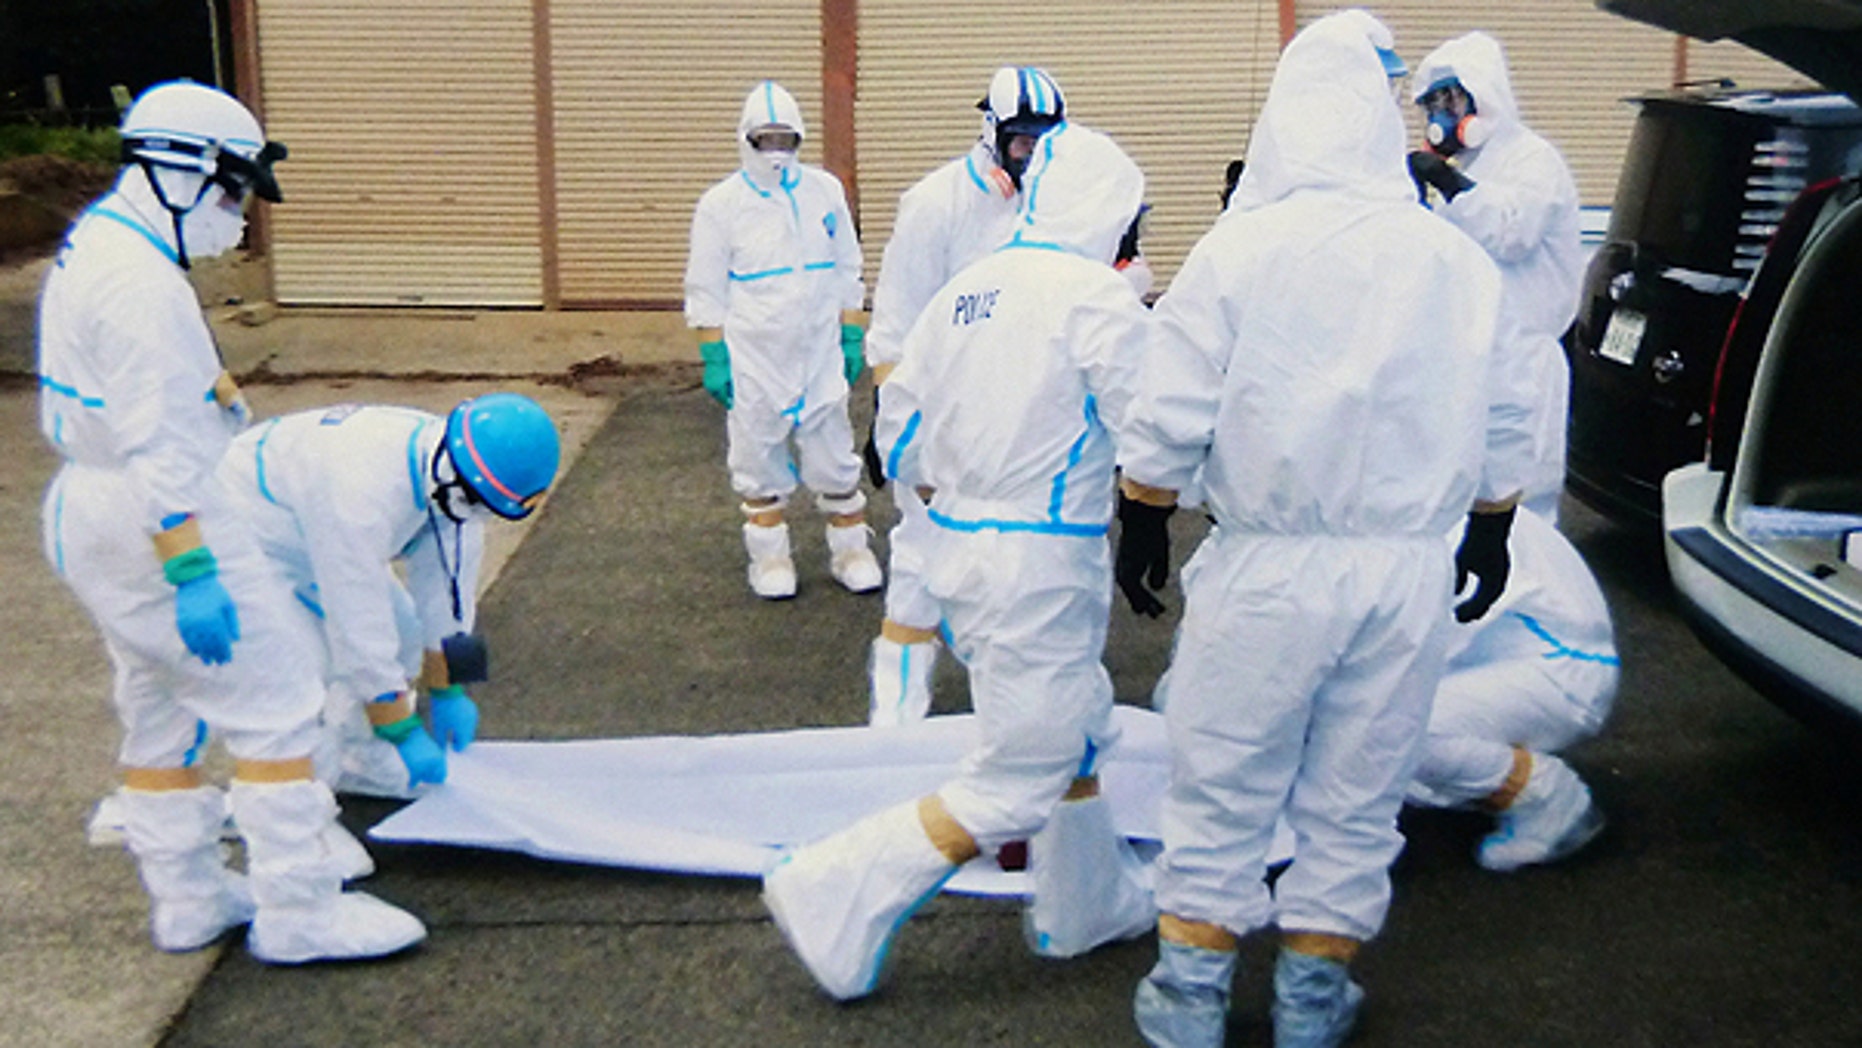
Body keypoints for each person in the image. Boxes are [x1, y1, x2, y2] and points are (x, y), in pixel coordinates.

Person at [1110, 13, 1514, 1047]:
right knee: (1359, 788)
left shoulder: (1241, 249)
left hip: (1270, 569)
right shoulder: (1453, 258)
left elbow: (1172, 398)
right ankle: (1312, 1002)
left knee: (1222, 778)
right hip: (1406, 575)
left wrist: (1144, 510)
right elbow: (1507, 403)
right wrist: (1492, 523)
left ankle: (1190, 1002)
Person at [762, 121, 1157, 999]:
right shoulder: (1096, 300)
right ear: (1107, 210)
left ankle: (1083, 901)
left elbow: (899, 435)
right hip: (1039, 562)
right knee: (1019, 775)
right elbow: (1154, 433)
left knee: (1076, 725)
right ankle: (831, 889)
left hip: (960, 548)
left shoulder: (968, 290)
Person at [36, 80, 425, 964]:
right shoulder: (138, 284)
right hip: (157, 518)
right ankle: (300, 909)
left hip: (93, 512)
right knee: (279, 702)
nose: (238, 216)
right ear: (184, 171)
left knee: (158, 707)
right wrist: (191, 569)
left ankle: (187, 898)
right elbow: (158, 439)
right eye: (232, 192)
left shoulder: (99, 243)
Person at [215, 396, 560, 808]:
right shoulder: (361, 490)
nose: (477, 516)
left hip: (306, 535)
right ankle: (276, 807)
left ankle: (358, 756)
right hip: (242, 531)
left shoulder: (457, 483)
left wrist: (451, 689)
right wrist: (400, 729)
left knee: (403, 635)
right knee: (299, 671)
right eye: (477, 503)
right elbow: (357, 620)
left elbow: (450, 593)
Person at [860, 65, 1065, 726]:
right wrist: (895, 421)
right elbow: (896, 320)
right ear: (992, 132)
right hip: (942, 412)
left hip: (1025, 416)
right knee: (922, 562)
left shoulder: (1059, 202)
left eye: (1045, 141)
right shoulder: (936, 204)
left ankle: (1008, 717)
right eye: (1021, 141)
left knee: (1015, 571)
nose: (1032, 155)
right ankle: (895, 721)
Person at [685, 80, 881, 600]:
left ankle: (851, 550)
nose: (776, 151)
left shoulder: (824, 192)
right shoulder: (721, 205)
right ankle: (770, 558)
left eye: (785, 139)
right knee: (758, 460)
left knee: (834, 457)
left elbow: (848, 265)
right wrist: (714, 354)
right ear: (746, 138)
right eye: (765, 139)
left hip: (819, 352)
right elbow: (705, 286)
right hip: (755, 357)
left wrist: (851, 332)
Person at [1406, 31, 1583, 525]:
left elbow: (1512, 232)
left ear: (1481, 95)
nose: (1441, 114)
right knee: (1464, 503)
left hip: (1523, 362)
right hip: (1470, 360)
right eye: (1433, 104)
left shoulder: (1532, 159)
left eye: (1451, 100)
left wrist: (1449, 182)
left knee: (1522, 507)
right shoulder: (1470, 166)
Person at [1411, 506, 1616, 870]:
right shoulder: (1437, 502)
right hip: (1524, 657)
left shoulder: (1432, 532)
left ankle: (1547, 796)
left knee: (1392, 729)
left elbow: (1406, 656)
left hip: (1561, 672)